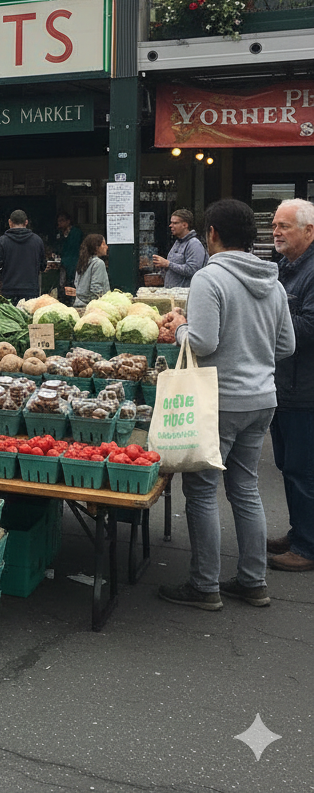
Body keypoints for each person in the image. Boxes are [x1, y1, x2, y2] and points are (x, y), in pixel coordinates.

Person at [158, 199, 294, 611]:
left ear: (212, 232)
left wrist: (180, 326)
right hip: (262, 399)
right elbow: (286, 345)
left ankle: (205, 586)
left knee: (200, 493)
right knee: (246, 488)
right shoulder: (273, 279)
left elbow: (203, 343)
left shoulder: (209, 278)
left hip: (218, 399)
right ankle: (253, 582)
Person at [267, 198, 314, 573]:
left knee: (303, 468)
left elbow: (309, 329)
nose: (276, 232)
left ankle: (307, 546)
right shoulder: (284, 268)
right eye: (275, 225)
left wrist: (264, 322)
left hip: (305, 390)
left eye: (284, 226)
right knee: (288, 465)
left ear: (309, 231)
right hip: (283, 385)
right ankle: (301, 531)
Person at [0, 210, 47, 303]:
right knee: (28, 316)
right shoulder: (37, 241)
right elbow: (43, 266)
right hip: (31, 290)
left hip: (8, 290)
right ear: (26, 222)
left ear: (10, 222)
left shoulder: (2, 241)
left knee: (9, 317)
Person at [152, 208, 208, 288]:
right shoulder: (178, 242)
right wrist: (161, 266)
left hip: (185, 295)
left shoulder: (194, 243)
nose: (170, 226)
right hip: (173, 294)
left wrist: (168, 264)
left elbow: (193, 270)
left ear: (185, 225)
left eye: (175, 223)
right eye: (171, 223)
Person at [65, 233, 110, 307]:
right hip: (92, 307)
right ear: (96, 247)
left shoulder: (82, 261)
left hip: (78, 304)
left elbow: (76, 283)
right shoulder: (98, 263)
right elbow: (96, 290)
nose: (107, 247)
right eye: (103, 244)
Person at [56, 211, 83, 285]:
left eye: (62, 221)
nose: (60, 223)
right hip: (63, 264)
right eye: (58, 221)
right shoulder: (59, 234)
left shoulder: (76, 233)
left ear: (68, 221)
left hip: (74, 263)